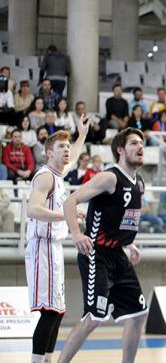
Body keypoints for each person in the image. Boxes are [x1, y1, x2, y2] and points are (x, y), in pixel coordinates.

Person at [58, 128, 148, 363]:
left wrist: (130, 243)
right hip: (96, 254)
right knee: (94, 318)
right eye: (134, 144)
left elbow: (123, 218)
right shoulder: (110, 177)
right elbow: (70, 200)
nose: (140, 148)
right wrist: (76, 234)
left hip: (118, 254)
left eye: (142, 144)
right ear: (120, 150)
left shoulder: (139, 183)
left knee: (138, 313)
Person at [24, 117, 88, 363]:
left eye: (68, 146)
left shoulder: (59, 175)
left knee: (58, 312)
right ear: (49, 153)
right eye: (62, 147)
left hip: (54, 247)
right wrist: (67, 214)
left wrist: (81, 135)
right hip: (42, 246)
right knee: (49, 312)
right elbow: (32, 209)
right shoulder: (45, 177)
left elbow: (74, 156)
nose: (67, 150)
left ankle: (48, 359)